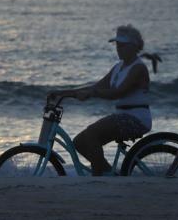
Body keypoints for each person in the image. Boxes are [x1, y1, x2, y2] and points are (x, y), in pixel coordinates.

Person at [47, 25, 161, 176]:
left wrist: (93, 93)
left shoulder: (138, 68)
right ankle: (108, 174)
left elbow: (117, 93)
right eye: (117, 45)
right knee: (79, 142)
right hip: (122, 117)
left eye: (122, 45)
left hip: (136, 119)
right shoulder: (118, 67)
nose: (118, 48)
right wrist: (64, 92)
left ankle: (98, 176)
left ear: (133, 46)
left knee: (91, 135)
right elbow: (96, 86)